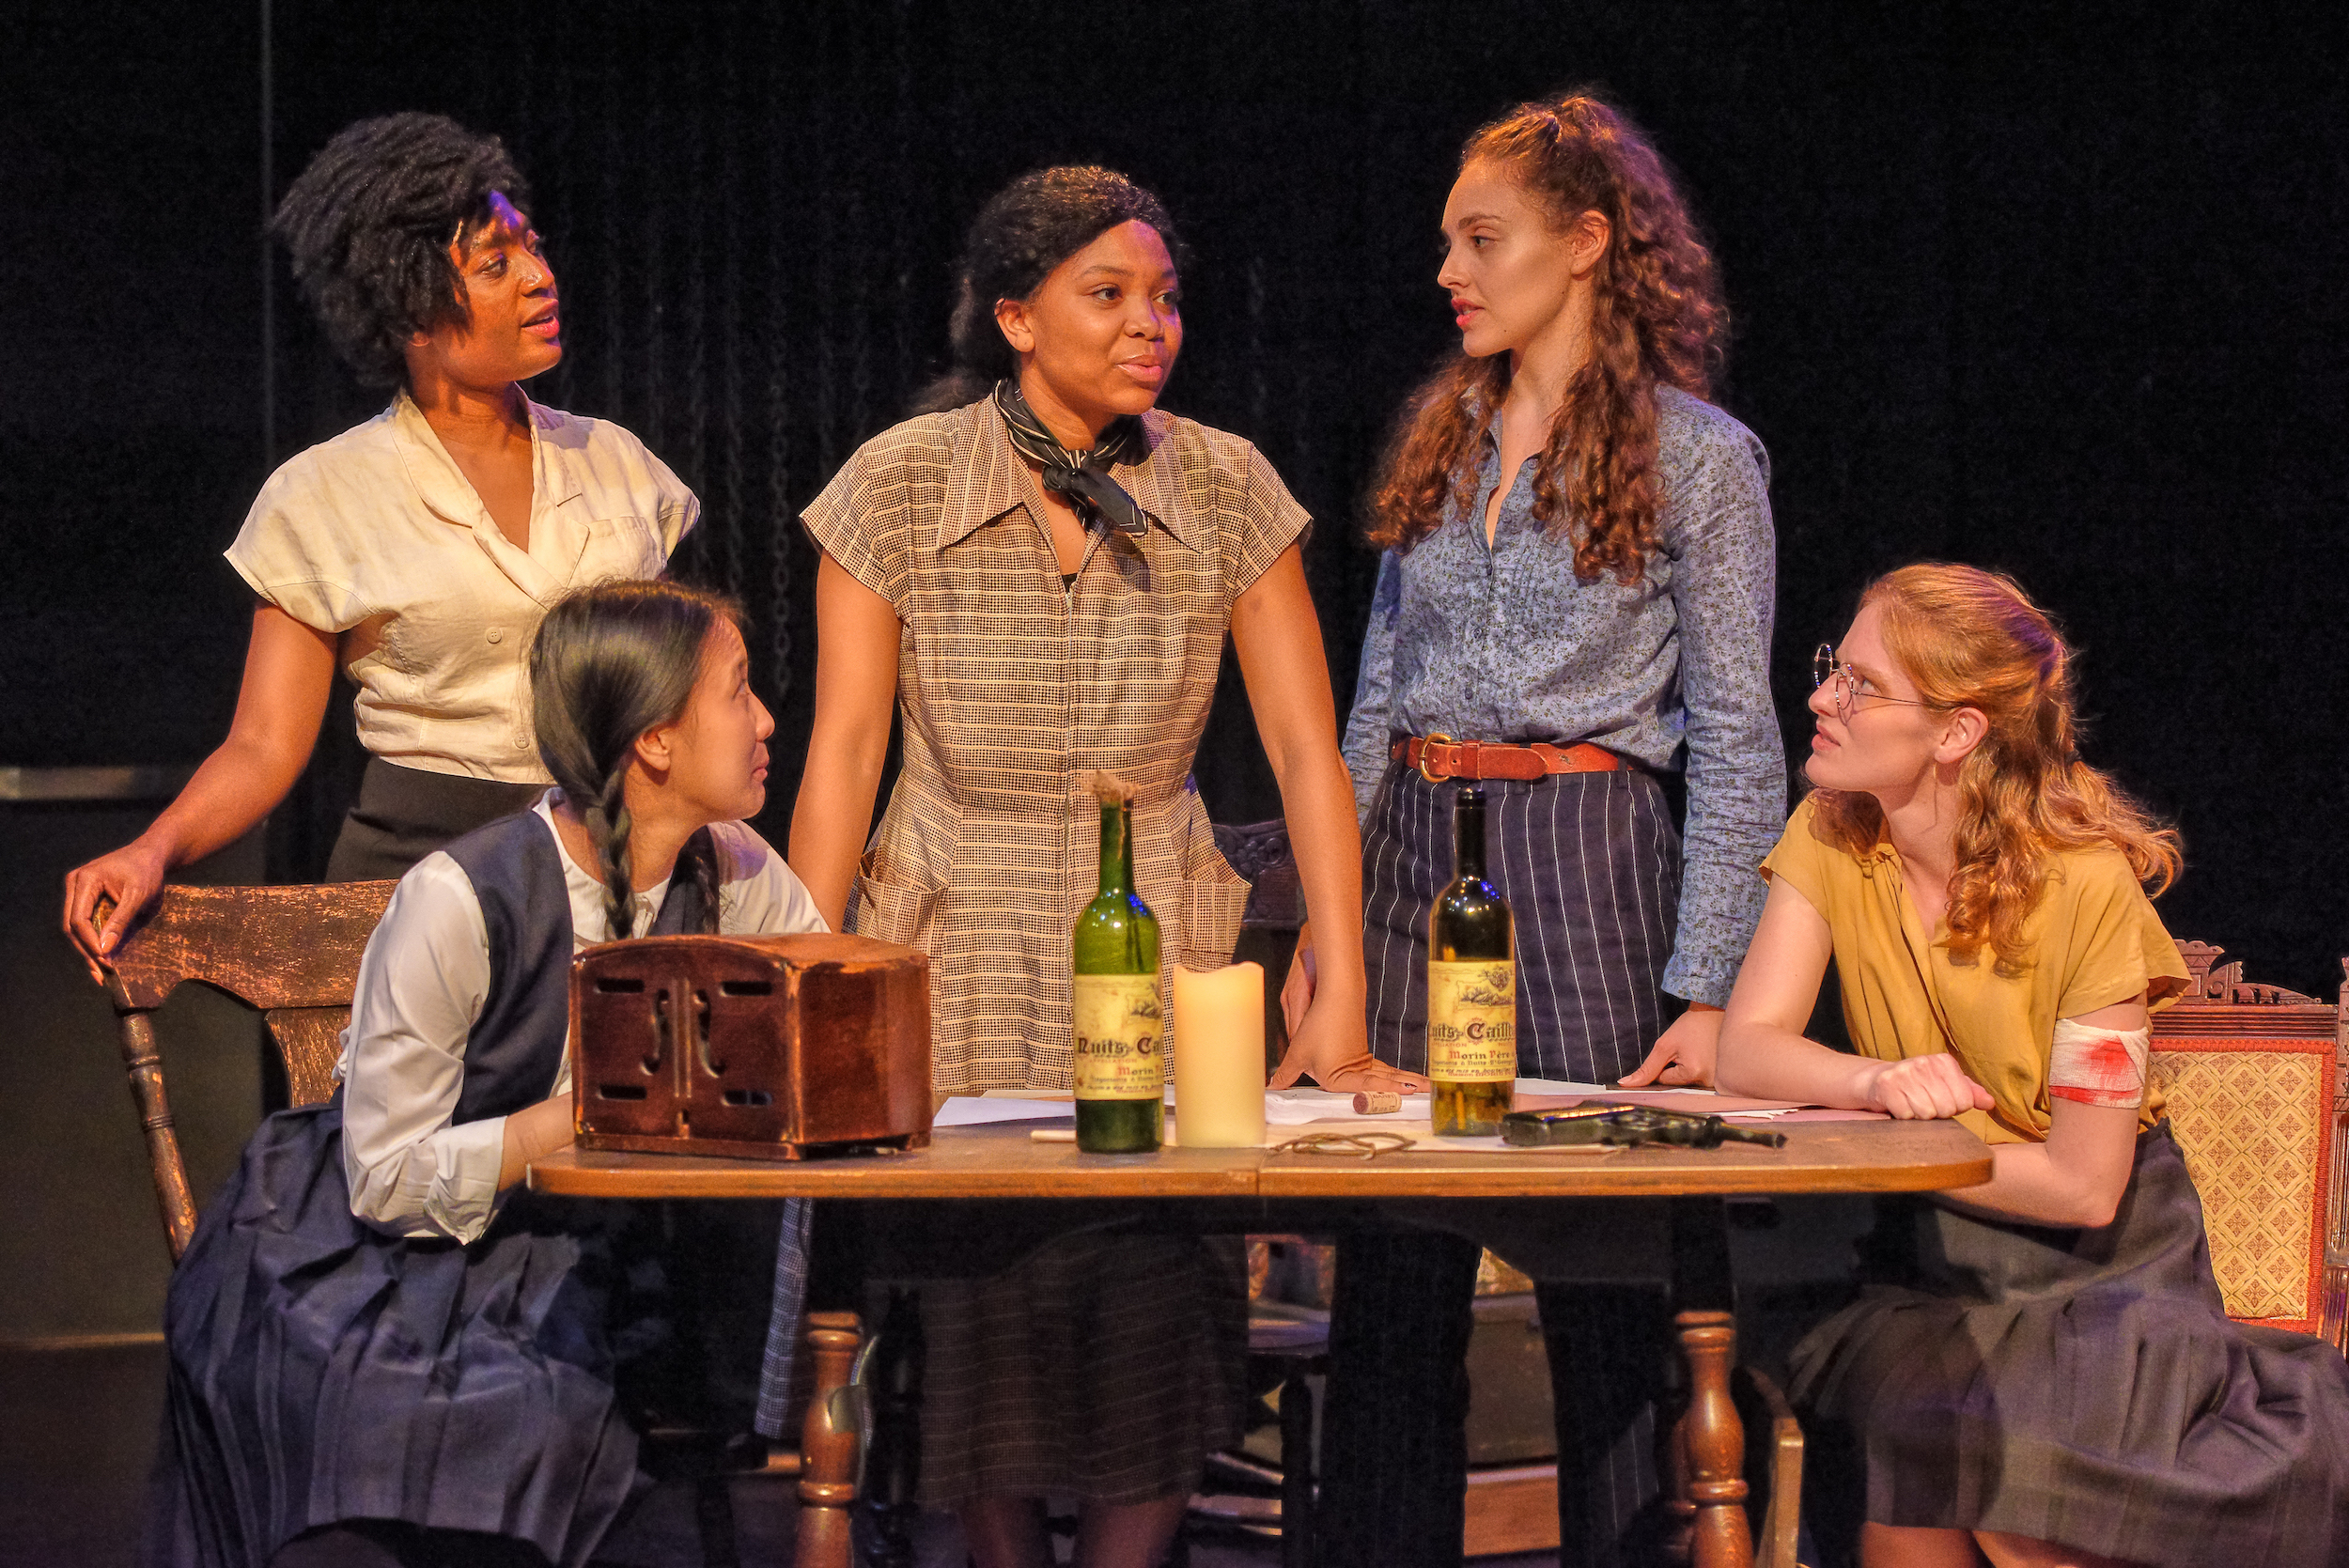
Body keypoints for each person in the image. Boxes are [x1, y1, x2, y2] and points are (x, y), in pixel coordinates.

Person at [781, 165, 1398, 1568]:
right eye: (1107, 294)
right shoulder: (898, 483)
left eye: (1166, 298)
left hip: (1155, 915)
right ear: (1014, 316)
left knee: (1160, 1278)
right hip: (956, 914)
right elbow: (844, 752)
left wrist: (1339, 984)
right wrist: (806, 977)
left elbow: (1308, 752)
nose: (1150, 325)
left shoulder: (1227, 485)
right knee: (979, 1283)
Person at [1283, 94, 1784, 1567]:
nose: (1451, 267)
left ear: (1584, 244)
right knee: (1396, 1293)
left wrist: (1707, 991)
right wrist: (1330, 937)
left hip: (1588, 857)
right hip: (1415, 855)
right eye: (1447, 238)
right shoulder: (1443, 436)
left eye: (1482, 237)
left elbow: (1743, 732)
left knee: (1609, 1293)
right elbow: (1370, 707)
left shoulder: (1699, 457)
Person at [148, 581, 826, 1568]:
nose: (766, 718)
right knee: (456, 1418)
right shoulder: (462, 897)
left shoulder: (736, 870)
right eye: (736, 692)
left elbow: (819, 1012)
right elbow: (382, 1176)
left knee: (611, 1387)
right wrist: (585, 1118)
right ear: (654, 742)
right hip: (385, 1255)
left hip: (591, 1248)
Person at [1718, 563, 2349, 1568]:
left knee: (2003, 1468)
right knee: (1910, 1430)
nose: (1819, 698)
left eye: (1860, 685)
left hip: (2104, 1282)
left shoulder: (2085, 887)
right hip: (1930, 1263)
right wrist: (1872, 1085)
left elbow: (2085, 1184)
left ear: (1957, 732)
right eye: (1833, 668)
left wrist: (1913, 1143)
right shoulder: (1832, 833)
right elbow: (1745, 1044)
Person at [64, 112, 697, 979]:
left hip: (614, 864)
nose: (542, 280)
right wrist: (154, 847)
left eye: (535, 249)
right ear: (413, 313)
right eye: (496, 265)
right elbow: (262, 744)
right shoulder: (325, 495)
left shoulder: (619, 465)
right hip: (418, 874)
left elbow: (676, 692)